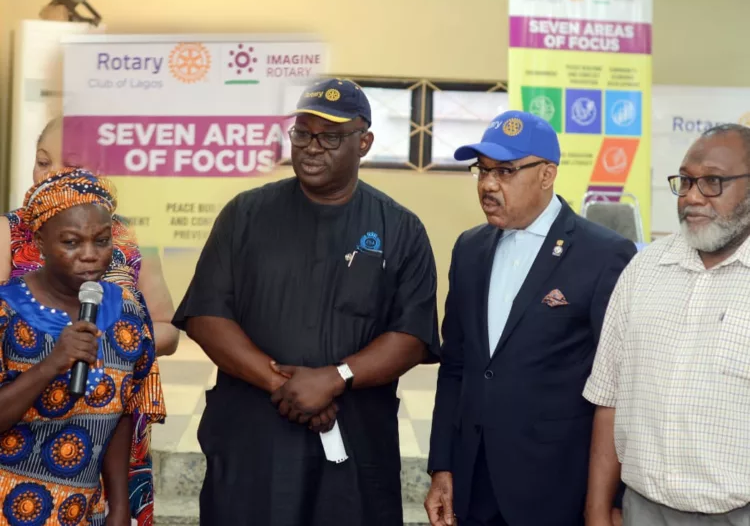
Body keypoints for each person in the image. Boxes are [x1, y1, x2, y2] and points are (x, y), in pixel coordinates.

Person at [172, 78, 439, 526]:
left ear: (364, 142)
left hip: (354, 445)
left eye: (331, 136)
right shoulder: (245, 215)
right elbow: (205, 314)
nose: (312, 147)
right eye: (302, 133)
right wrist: (284, 385)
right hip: (254, 439)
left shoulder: (400, 229)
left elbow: (412, 335)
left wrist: (336, 378)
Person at [425, 110, 637, 526]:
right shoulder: (469, 249)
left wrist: (610, 499)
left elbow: (620, 384)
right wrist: (442, 466)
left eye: (505, 171)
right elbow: (456, 368)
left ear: (547, 175)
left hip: (557, 488)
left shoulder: (603, 254)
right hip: (474, 482)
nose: (488, 185)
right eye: (482, 171)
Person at [0, 119, 178, 525]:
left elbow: (123, 411)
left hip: (89, 494)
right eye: (44, 161)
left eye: (100, 241)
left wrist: (119, 508)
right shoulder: (8, 275)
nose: (90, 254)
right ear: (42, 240)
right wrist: (52, 359)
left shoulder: (126, 304)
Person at [584, 123, 750, 526]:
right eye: (686, 181)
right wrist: (597, 509)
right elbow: (609, 400)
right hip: (643, 509)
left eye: (712, 182)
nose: (692, 196)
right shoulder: (643, 270)